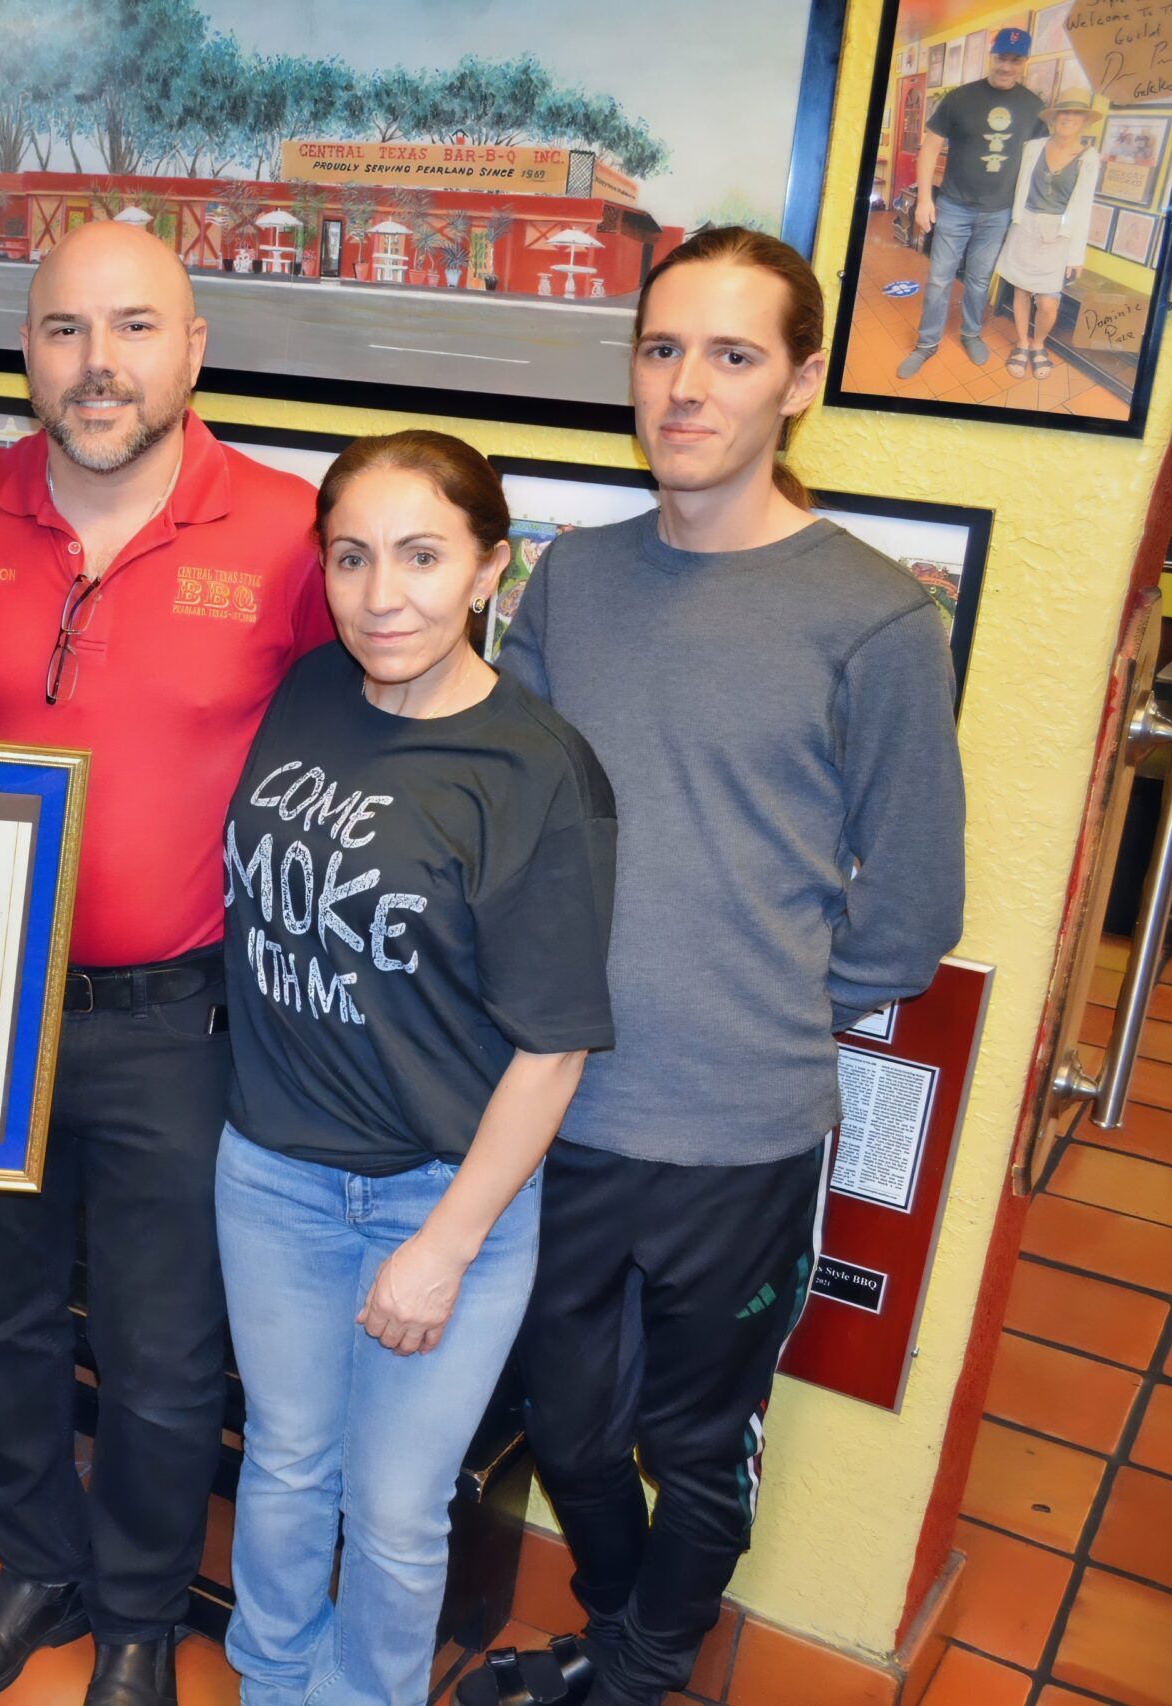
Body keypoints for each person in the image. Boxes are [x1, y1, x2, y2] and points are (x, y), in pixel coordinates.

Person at [466, 225, 965, 1706]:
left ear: (801, 381)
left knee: (696, 1443)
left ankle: (637, 1674)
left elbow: (912, 911)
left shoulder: (875, 620)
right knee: (562, 1427)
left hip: (739, 1139)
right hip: (560, 1113)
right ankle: (615, 1632)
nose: (686, 388)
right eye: (663, 349)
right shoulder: (575, 583)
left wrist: (755, 1016)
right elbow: (524, 817)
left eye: (733, 356)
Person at [0, 218, 336, 1706]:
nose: (100, 364)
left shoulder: (289, 533)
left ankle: (143, 1610)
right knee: (4, 1319)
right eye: (67, 329)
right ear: (25, 349)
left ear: (193, 348)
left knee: (164, 1351)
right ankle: (36, 1564)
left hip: (177, 1023)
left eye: (135, 326)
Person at [220, 429, 617, 1706]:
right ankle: (270, 1681)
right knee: (283, 1467)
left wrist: (443, 1241)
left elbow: (553, 1047)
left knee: (393, 1516)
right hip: (271, 1172)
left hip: (443, 1194)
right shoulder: (304, 694)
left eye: (422, 555)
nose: (382, 593)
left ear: (489, 570)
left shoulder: (537, 769)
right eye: (351, 558)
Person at [901, 25, 1044, 379]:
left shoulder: (1034, 106)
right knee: (938, 278)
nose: (1006, 66)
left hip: (999, 212)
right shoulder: (959, 98)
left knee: (979, 281)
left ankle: (970, 334)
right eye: (1001, 57)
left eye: (1015, 60)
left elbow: (1043, 155)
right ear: (991, 56)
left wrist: (1084, 159)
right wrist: (923, 199)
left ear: (1024, 63)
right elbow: (930, 146)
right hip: (954, 205)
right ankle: (926, 343)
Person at [1001, 98, 1102, 381]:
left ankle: (1038, 344)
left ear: (1084, 121)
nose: (1068, 118)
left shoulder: (1088, 157)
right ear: (1053, 119)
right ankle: (1022, 342)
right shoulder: (1033, 148)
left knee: (1047, 302)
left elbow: (1084, 207)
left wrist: (1076, 256)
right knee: (1021, 290)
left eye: (1076, 114)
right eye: (1063, 113)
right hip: (1026, 226)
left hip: (1059, 235)